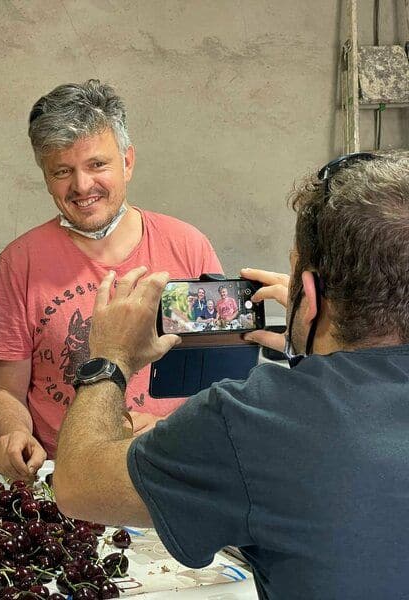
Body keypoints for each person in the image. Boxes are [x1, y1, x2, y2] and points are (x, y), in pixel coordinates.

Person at [54, 151, 409, 598]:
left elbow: (77, 486)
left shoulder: (257, 418)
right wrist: (312, 338)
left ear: (312, 295)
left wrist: (110, 357)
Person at [0, 79, 222, 480]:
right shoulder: (19, 262)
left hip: (173, 465)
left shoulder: (188, 248)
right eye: (62, 171)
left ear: (127, 161)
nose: (81, 186)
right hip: (66, 475)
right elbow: (5, 389)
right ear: (45, 175)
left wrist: (168, 427)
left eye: (97, 165)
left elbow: (220, 380)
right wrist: (16, 433)